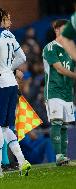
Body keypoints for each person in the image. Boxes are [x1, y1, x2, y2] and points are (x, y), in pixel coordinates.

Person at [0, 6, 31, 179]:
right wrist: (8, 69)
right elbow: (22, 58)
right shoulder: (9, 34)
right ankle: (22, 160)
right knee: (4, 126)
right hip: (11, 84)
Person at [42, 19, 75, 166]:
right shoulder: (50, 48)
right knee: (56, 122)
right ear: (56, 30)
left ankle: (64, 158)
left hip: (68, 92)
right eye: (62, 28)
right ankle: (58, 156)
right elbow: (59, 69)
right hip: (54, 91)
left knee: (64, 125)